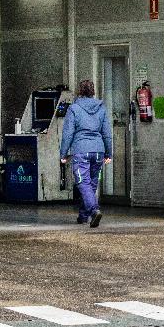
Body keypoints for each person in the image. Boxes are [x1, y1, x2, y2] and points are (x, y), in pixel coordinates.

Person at [60, 79, 113, 228]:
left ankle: (94, 210)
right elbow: (107, 133)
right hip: (98, 152)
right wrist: (109, 153)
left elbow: (68, 134)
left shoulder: (74, 108)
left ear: (79, 91)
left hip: (81, 151)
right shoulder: (101, 108)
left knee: (83, 182)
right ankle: (83, 216)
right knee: (91, 183)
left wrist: (63, 154)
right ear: (93, 91)